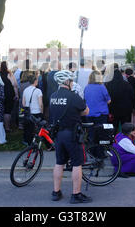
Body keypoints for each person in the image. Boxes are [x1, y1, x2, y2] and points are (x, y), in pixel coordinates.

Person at [50, 70, 90, 204]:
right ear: (67, 81)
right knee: (77, 163)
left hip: (58, 134)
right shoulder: (73, 97)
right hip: (72, 134)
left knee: (59, 162)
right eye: (71, 81)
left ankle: (56, 192)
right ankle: (76, 194)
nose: (72, 83)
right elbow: (85, 110)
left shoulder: (53, 96)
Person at [105, 68, 135, 134]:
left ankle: (112, 139)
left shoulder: (108, 85)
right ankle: (125, 140)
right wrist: (132, 106)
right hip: (125, 109)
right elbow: (132, 96)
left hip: (113, 109)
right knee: (125, 127)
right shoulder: (127, 84)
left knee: (113, 127)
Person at [83, 70, 111, 142]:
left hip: (89, 114)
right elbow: (108, 101)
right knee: (101, 134)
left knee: (91, 134)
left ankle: (92, 150)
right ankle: (99, 151)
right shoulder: (102, 87)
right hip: (100, 114)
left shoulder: (87, 87)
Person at [22, 74, 44, 145]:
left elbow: (23, 103)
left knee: (29, 129)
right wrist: (42, 112)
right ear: (35, 81)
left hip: (28, 112)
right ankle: (37, 143)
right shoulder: (38, 91)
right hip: (36, 112)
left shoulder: (25, 90)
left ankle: (28, 143)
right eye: (37, 80)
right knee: (37, 129)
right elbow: (40, 104)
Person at [0, 61, 18, 132]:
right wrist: (16, 94)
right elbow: (15, 85)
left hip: (1, 93)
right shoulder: (9, 74)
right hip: (9, 94)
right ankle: (7, 127)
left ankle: (1, 126)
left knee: (2, 110)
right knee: (8, 111)